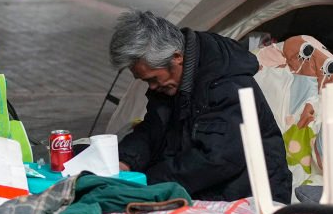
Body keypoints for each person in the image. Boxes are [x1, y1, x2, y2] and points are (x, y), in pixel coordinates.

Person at [111, 11, 291, 204]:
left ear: (177, 57)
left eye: (153, 79)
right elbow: (152, 129)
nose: (152, 87)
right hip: (203, 186)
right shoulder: (170, 82)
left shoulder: (227, 84)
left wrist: (150, 181)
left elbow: (218, 160)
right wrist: (125, 161)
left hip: (250, 195)